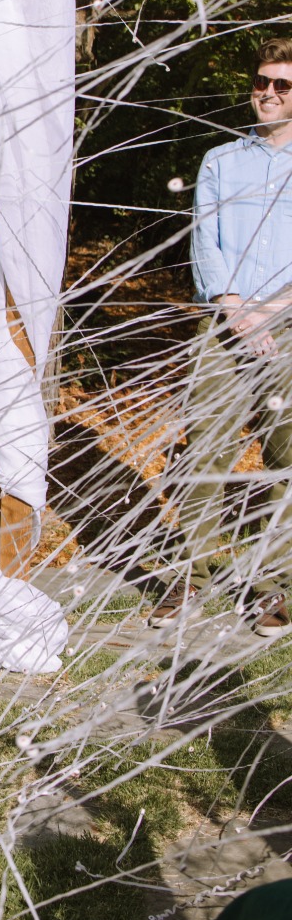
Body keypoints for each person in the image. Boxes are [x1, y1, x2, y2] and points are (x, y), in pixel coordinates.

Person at [151, 38, 292, 635]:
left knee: (284, 457)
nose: (268, 93)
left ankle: (278, 589)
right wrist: (234, 308)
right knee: (202, 448)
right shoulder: (219, 160)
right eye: (263, 81)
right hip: (224, 323)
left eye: (282, 85)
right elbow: (205, 237)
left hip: (288, 322)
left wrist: (272, 310)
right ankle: (191, 575)